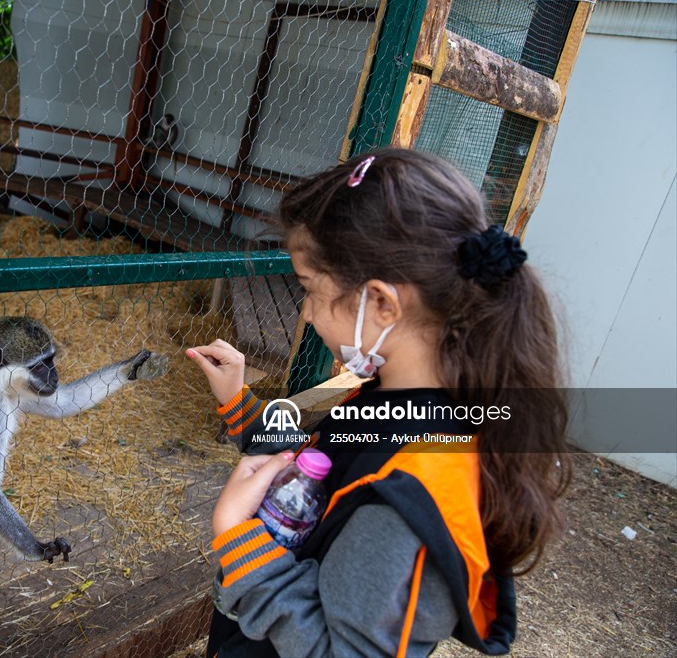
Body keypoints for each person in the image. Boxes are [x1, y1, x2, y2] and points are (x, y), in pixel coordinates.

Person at [186, 147, 571, 657]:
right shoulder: (403, 396)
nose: (304, 311)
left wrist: (242, 542)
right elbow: (323, 465)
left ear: (382, 303)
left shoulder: (408, 498)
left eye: (308, 288)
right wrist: (239, 402)